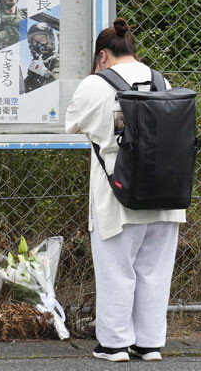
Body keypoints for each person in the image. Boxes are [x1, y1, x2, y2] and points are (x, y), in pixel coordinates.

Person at [65, 18, 186, 363]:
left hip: (119, 195)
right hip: (167, 195)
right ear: (133, 49)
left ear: (102, 55)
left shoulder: (95, 84)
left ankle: (115, 344)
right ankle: (149, 345)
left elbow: (71, 121)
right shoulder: (162, 80)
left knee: (117, 269)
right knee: (154, 271)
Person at [24, 22, 57, 93]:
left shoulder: (57, 60)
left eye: (42, 39)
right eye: (35, 41)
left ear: (50, 39)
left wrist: (45, 72)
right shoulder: (35, 66)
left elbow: (59, 84)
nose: (38, 44)